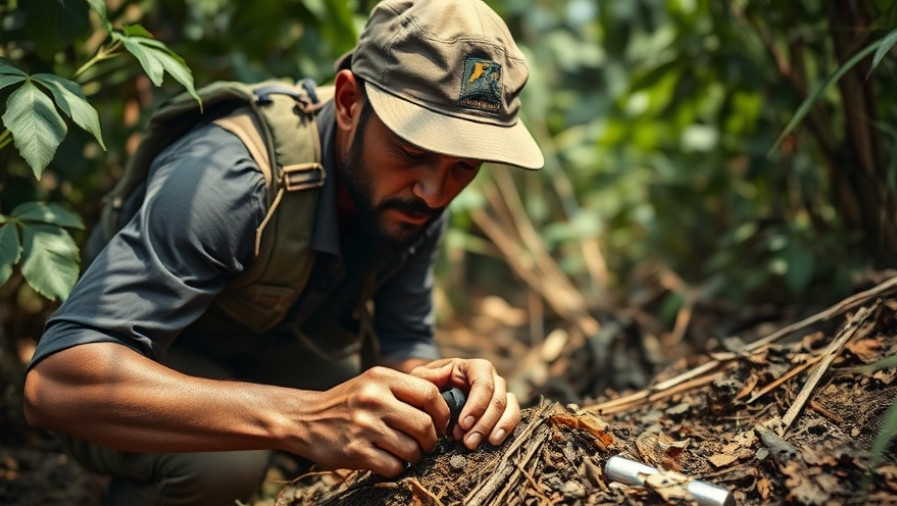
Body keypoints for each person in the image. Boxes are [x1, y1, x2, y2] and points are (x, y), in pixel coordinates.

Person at [23, 0, 544, 504]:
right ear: (347, 102)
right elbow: (56, 384)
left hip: (275, 355)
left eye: (464, 167)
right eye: (412, 151)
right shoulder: (228, 178)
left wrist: (445, 388)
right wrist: (305, 418)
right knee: (225, 466)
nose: (435, 191)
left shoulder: (414, 199)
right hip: (150, 365)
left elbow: (404, 338)